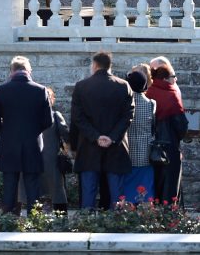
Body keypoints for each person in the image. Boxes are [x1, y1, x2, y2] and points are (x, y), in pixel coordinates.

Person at [70, 51, 134, 209]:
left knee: (88, 190)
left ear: (95, 65)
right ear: (109, 66)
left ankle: (86, 224)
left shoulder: (82, 86)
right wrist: (112, 137)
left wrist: (95, 137)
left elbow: (78, 118)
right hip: (116, 146)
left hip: (88, 146)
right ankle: (116, 226)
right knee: (116, 193)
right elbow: (128, 116)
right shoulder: (123, 86)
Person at [0, 56, 53, 214]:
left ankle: (8, 219)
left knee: (10, 184)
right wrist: (33, 130)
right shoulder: (40, 90)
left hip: (9, 144)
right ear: (28, 71)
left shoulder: (2, 90)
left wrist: (6, 130)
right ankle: (34, 219)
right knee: (32, 185)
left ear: (12, 71)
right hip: (32, 143)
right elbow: (48, 121)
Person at [146, 65, 188, 204]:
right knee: (171, 185)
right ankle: (170, 217)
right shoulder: (172, 95)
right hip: (170, 147)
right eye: (173, 77)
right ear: (165, 79)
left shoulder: (149, 92)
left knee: (155, 183)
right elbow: (181, 126)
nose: (175, 79)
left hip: (151, 148)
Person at [122, 71, 156, 203]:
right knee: (145, 187)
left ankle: (127, 210)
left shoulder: (124, 103)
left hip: (127, 150)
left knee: (127, 186)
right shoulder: (151, 104)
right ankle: (145, 213)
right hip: (145, 151)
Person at [40, 87, 70, 213]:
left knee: (39, 192)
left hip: (36, 159)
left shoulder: (30, 116)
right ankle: (61, 220)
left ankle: (40, 217)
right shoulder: (55, 115)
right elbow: (66, 135)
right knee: (58, 191)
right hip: (52, 160)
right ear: (51, 100)